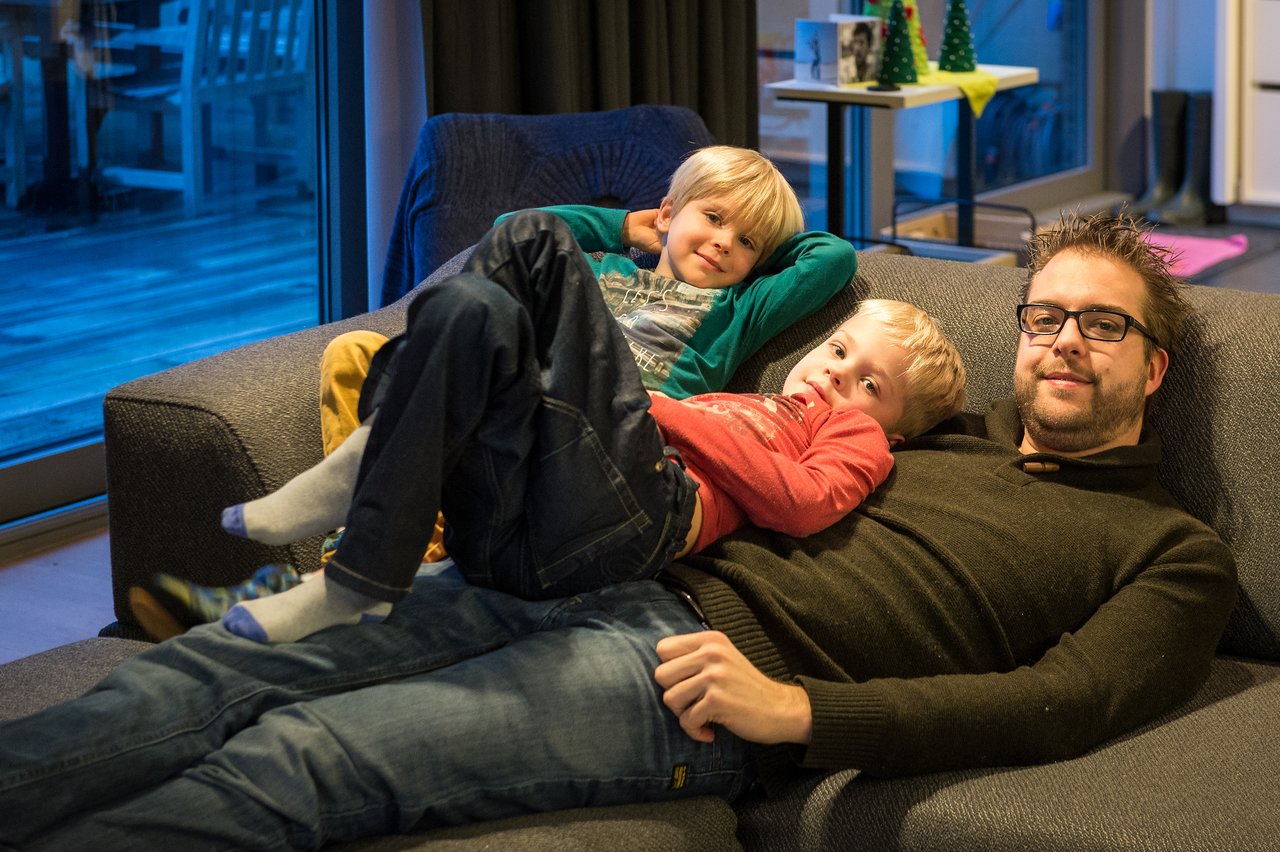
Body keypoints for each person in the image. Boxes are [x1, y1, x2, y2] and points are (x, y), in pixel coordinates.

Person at [0, 212, 1237, 850]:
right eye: (1043, 316)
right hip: (599, 562)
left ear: (1156, 368)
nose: (1062, 338)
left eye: (1102, 325)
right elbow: (766, 377)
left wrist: (802, 715)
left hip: (683, 678)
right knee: (222, 665)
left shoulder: (1169, 550)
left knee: (303, 760)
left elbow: (1059, 703)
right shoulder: (928, 431)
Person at [129, 144, 859, 639]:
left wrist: (759, 221)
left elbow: (833, 256)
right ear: (668, 212)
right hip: (529, 414)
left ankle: (369, 500)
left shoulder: (739, 308)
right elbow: (502, 234)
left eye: (748, 242)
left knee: (535, 243)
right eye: (713, 217)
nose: (726, 242)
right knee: (362, 350)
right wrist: (628, 225)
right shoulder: (603, 260)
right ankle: (386, 537)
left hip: (615, 439)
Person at [208, 212, 964, 644]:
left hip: (643, 514)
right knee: (476, 308)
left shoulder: (853, 441)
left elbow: (797, 502)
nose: (836, 375)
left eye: (871, 385)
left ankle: (365, 471)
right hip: (534, 523)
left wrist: (656, 409)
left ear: (892, 432)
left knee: (537, 241)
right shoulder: (746, 400)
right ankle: (366, 560)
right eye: (838, 351)